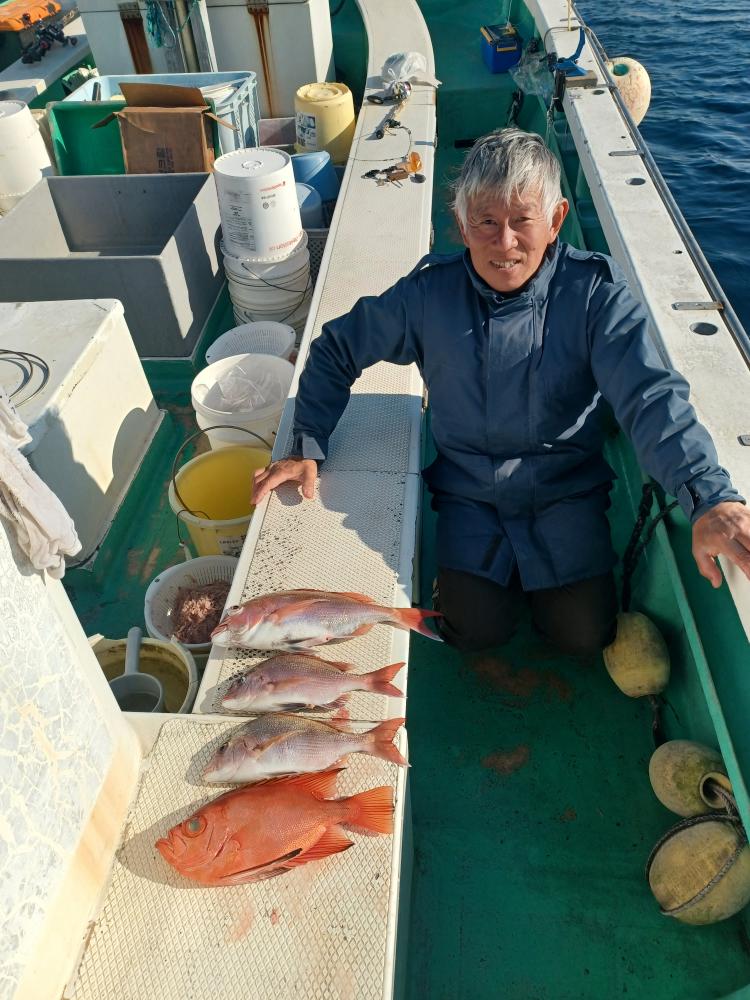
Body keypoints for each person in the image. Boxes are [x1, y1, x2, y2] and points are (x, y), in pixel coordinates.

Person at [252, 128, 750, 655]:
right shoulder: (429, 294)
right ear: (462, 224)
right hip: (469, 491)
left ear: (556, 220)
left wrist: (708, 496)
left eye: (522, 221)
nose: (505, 242)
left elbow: (649, 397)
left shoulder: (594, 294)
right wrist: (305, 442)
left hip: (566, 490)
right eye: (486, 221)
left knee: (583, 635)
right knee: (473, 631)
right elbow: (337, 347)